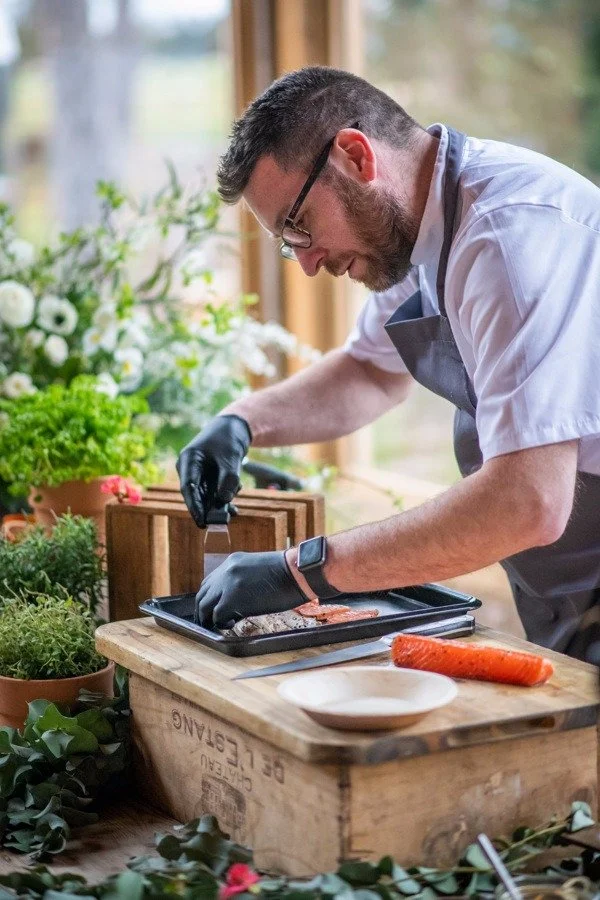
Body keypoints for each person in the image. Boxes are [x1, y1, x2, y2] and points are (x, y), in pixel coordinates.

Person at [177, 66, 600, 661]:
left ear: (354, 156)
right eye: (286, 242)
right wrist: (242, 421)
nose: (306, 263)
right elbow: (370, 373)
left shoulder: (506, 240)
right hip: (565, 588)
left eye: (299, 227)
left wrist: (301, 572)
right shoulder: (410, 231)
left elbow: (528, 501)